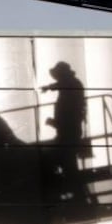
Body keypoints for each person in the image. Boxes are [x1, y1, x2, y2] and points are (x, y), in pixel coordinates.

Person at [42, 62, 88, 199]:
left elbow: (68, 116)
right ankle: (77, 193)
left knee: (67, 163)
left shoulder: (71, 84)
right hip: (68, 131)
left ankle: (78, 195)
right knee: (68, 163)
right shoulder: (72, 83)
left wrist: (54, 123)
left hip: (68, 132)